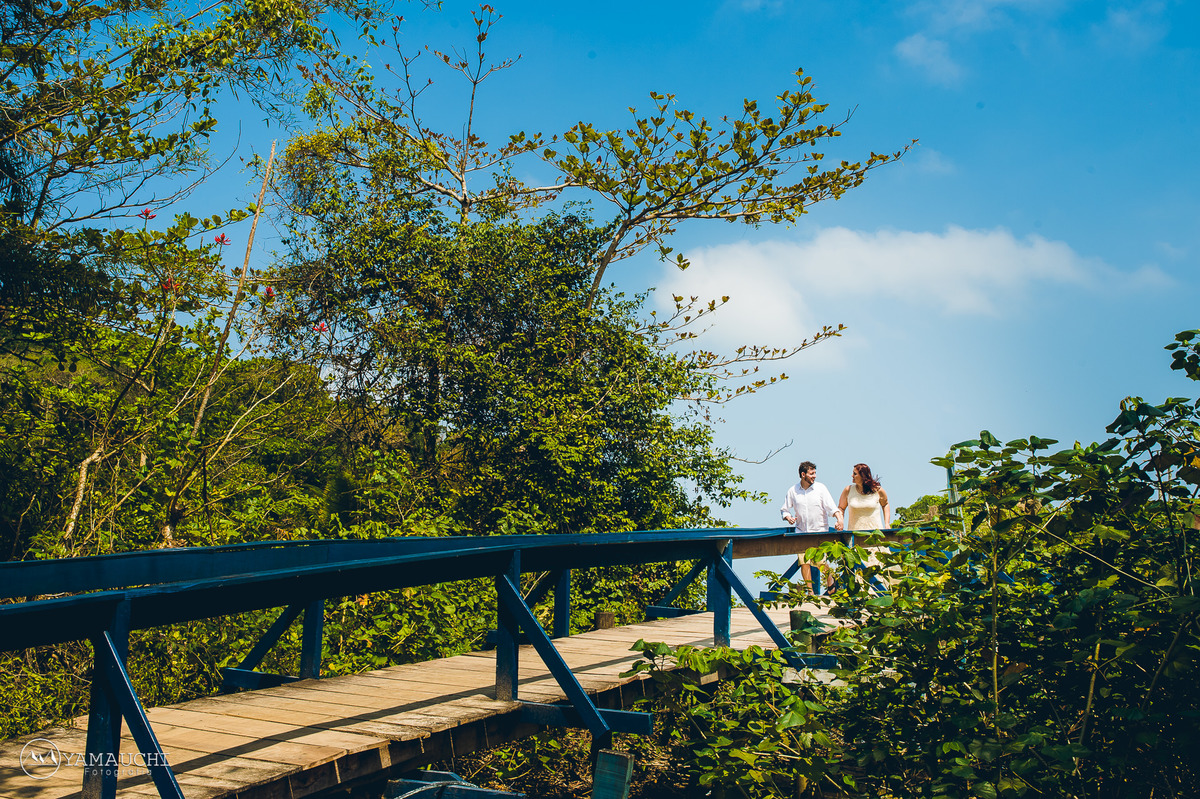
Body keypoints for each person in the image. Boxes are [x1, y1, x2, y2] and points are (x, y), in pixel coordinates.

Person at [780, 461, 843, 591]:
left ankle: (830, 580)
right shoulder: (793, 490)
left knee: (820, 562)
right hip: (801, 532)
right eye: (811, 473)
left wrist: (839, 519)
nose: (814, 476)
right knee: (804, 561)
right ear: (803, 475)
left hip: (820, 532)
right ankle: (810, 592)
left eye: (815, 473)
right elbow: (784, 509)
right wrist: (788, 518)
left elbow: (832, 507)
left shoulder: (821, 488)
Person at [838, 463, 890, 531]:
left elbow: (885, 504)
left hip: (875, 534)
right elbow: (841, 508)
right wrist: (840, 521)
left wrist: (887, 523)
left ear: (863, 476)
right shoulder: (848, 490)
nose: (852, 475)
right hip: (854, 534)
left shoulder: (878, 490)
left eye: (855, 474)